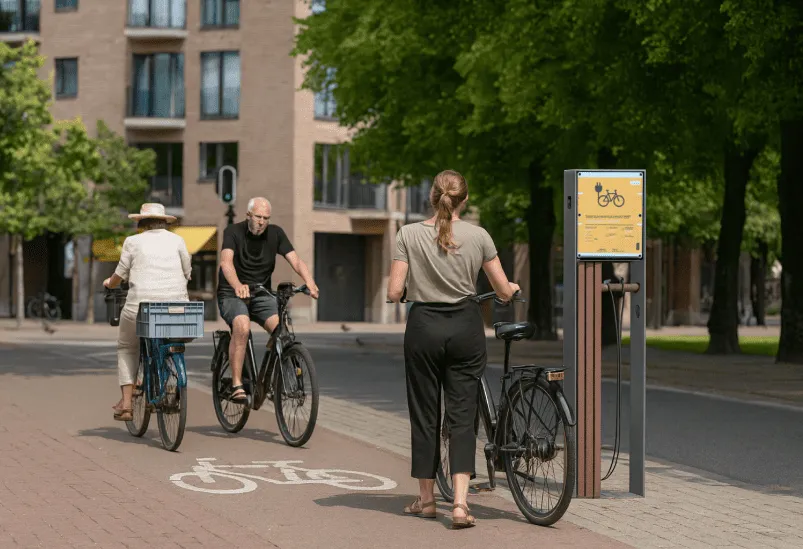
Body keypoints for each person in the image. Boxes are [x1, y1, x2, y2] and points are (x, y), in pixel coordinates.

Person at [387, 170, 519, 529]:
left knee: (425, 413)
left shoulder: (408, 234)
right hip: (465, 326)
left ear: (432, 196)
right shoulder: (479, 235)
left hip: (424, 327)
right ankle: (460, 504)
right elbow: (502, 289)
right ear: (465, 200)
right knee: (463, 414)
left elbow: (394, 292)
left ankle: (427, 500)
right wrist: (511, 290)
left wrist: (418, 284)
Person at [217, 197, 319, 403]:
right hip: (232, 292)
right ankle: (237, 383)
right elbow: (226, 263)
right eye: (258, 217)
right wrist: (237, 285)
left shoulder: (276, 234)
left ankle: (272, 379)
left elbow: (296, 260)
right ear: (248, 216)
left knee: (282, 333)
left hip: (261, 293)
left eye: (265, 218)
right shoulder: (233, 232)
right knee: (242, 327)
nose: (262, 222)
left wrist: (309, 281)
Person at [104, 203, 192, 421]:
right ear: (165, 221)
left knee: (126, 347)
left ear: (140, 223)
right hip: (177, 307)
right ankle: (164, 376)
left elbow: (120, 273)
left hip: (140, 306)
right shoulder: (178, 240)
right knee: (166, 337)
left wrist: (110, 282)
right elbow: (187, 271)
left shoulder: (133, 241)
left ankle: (126, 405)